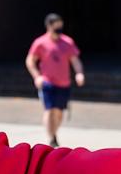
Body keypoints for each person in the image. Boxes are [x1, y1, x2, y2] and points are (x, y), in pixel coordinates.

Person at [27, 13, 85, 143]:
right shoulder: (40, 43)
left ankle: (54, 133)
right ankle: (51, 138)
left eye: (60, 26)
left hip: (63, 83)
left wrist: (79, 73)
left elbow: (75, 61)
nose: (58, 29)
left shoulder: (67, 42)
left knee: (58, 113)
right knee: (49, 110)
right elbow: (30, 61)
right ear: (49, 26)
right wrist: (37, 77)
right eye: (56, 27)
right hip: (47, 83)